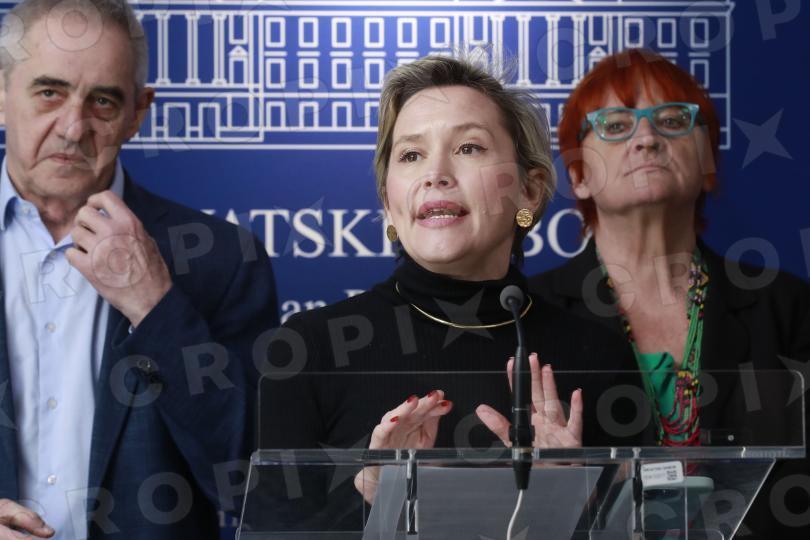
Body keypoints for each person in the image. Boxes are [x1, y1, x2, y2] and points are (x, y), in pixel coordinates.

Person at [258, 54, 637, 531]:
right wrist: (374, 496)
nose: (434, 173)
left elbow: (650, 522)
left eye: (469, 147)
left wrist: (570, 503)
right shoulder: (307, 349)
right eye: (410, 155)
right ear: (388, 202)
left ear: (530, 190)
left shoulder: (597, 354)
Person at [0, 1, 278, 538]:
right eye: (50, 92)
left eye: (103, 101)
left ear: (137, 114)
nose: (72, 128)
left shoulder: (221, 260)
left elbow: (249, 483)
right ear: (1, 93)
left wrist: (156, 306)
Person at [528, 48, 810, 538]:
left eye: (673, 120)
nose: (647, 138)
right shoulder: (529, 314)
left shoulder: (789, 308)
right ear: (578, 175)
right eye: (616, 125)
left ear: (706, 157)